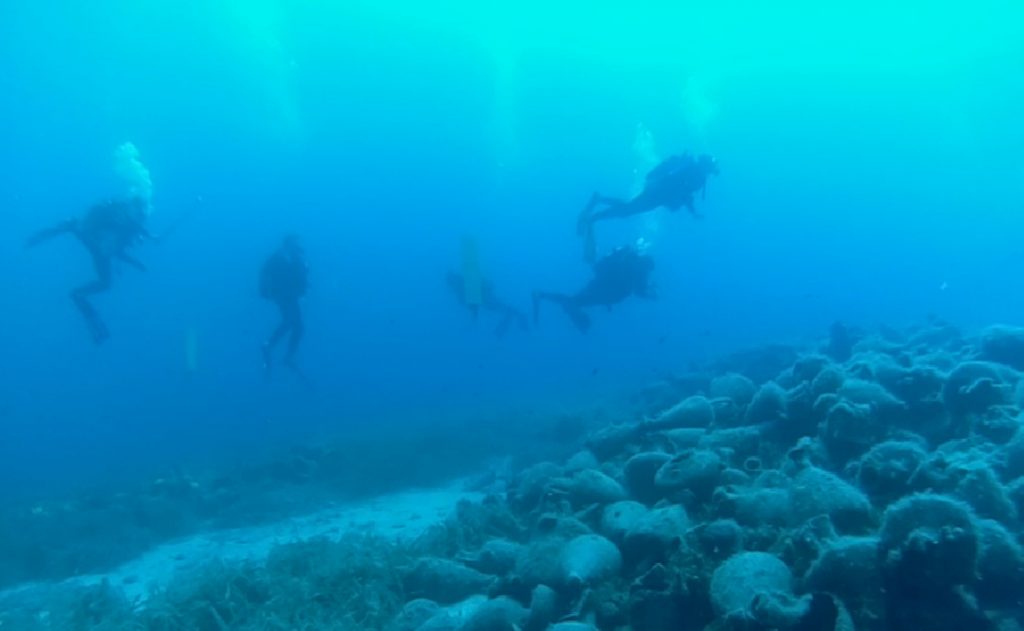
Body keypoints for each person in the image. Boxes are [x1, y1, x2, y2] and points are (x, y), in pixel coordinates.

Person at [26, 195, 152, 343]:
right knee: (72, 226)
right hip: (92, 240)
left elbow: (117, 249)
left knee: (105, 284)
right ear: (132, 207)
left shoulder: (132, 226)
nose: (140, 215)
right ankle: (44, 235)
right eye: (138, 211)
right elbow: (105, 240)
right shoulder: (113, 217)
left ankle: (80, 299)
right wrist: (134, 262)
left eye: (141, 213)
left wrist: (134, 262)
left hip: (101, 250)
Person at [577, 152, 719, 262]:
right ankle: (594, 216)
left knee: (628, 208)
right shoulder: (696, 175)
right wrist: (692, 212)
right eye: (710, 169)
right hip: (658, 194)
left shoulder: (695, 173)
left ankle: (599, 200)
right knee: (628, 210)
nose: (710, 173)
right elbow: (686, 194)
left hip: (658, 193)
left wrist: (693, 212)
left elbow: (686, 195)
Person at [532, 243, 656, 333]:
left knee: (575, 301)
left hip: (598, 285)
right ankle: (546, 297)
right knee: (574, 302)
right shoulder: (640, 271)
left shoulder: (627, 261)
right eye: (649, 269)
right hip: (610, 294)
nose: (648, 272)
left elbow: (600, 268)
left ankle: (543, 295)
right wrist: (652, 294)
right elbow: (640, 292)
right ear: (647, 264)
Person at [260, 235, 308, 372]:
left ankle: (282, 353)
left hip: (291, 295)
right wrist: (265, 291)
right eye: (294, 242)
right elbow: (265, 272)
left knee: (296, 325)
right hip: (283, 295)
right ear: (288, 243)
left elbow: (301, 275)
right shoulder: (279, 257)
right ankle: (272, 347)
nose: (296, 245)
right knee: (293, 322)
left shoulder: (294, 256)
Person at [446, 271, 528, 337]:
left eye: (450, 282)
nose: (450, 285)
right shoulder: (461, 284)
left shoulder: (461, 283)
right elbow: (465, 301)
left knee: (502, 307)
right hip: (485, 299)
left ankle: (518, 316)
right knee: (503, 308)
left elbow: (465, 300)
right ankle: (517, 316)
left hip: (485, 299)